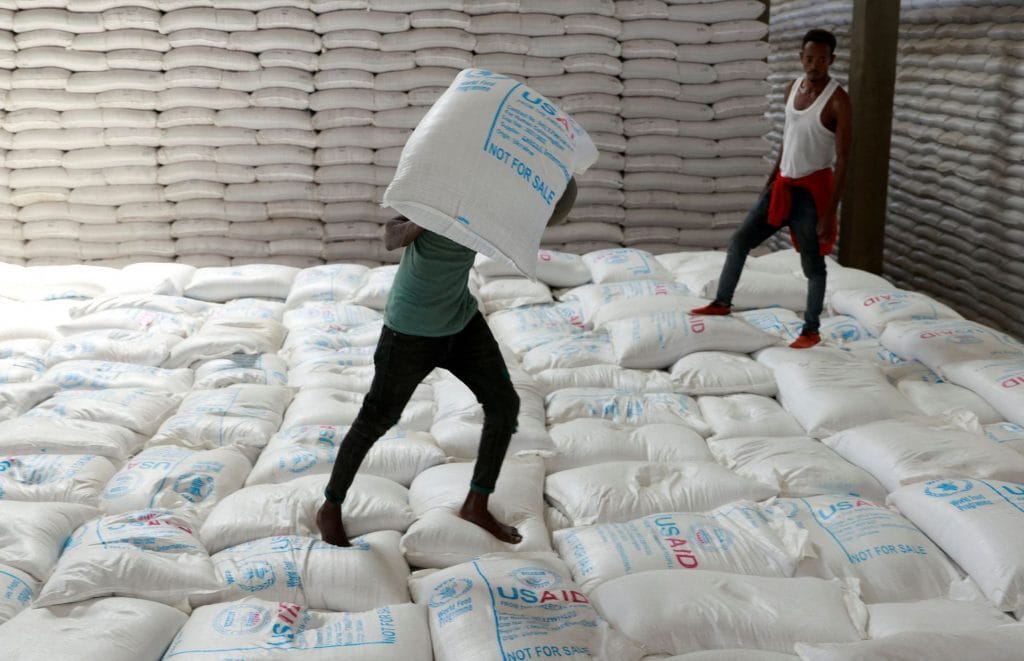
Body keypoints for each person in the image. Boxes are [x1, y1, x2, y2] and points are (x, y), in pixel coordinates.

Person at [316, 178, 578, 547]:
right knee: (377, 418)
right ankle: (330, 506)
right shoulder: (440, 188)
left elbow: (541, 217)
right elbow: (392, 237)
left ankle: (476, 503)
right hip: (410, 328)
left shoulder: (495, 202)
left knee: (504, 403)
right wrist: (427, 220)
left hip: (459, 318)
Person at [691, 29, 853, 349]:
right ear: (801, 58)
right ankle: (723, 302)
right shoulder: (791, 88)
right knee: (739, 241)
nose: (814, 64)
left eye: (821, 59)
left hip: (811, 193)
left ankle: (811, 329)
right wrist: (771, 178)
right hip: (782, 184)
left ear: (831, 60)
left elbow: (845, 159)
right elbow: (788, 137)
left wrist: (830, 212)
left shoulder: (838, 100)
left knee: (812, 263)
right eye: (809, 58)